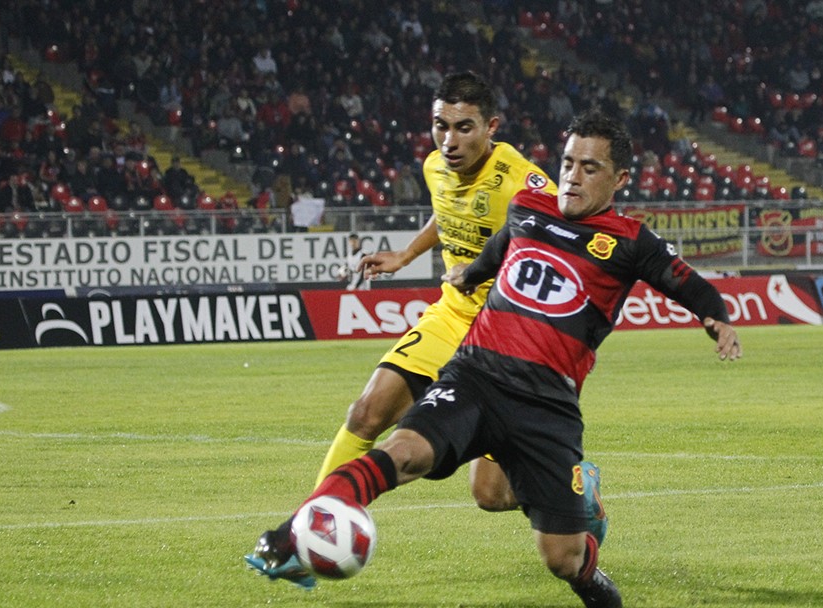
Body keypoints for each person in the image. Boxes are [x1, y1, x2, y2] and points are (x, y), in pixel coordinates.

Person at [246, 109, 742, 608]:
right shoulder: (528, 206)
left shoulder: (630, 241)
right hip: (475, 375)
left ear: (620, 179)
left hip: (547, 406)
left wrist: (717, 318)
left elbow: (689, 283)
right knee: (403, 452)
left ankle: (587, 567)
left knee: (560, 557)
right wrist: (471, 273)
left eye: (590, 168)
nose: (573, 176)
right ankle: (297, 531)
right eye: (568, 163)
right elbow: (500, 247)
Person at [247, 72, 603, 577]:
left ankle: (577, 493)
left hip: (509, 334)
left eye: (463, 128)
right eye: (441, 126)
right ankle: (305, 533)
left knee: (490, 494)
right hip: (452, 314)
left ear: (491, 127)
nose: (449, 140)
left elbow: (569, 240)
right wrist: (405, 255)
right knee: (366, 413)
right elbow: (447, 213)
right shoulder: (435, 166)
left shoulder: (522, 182)